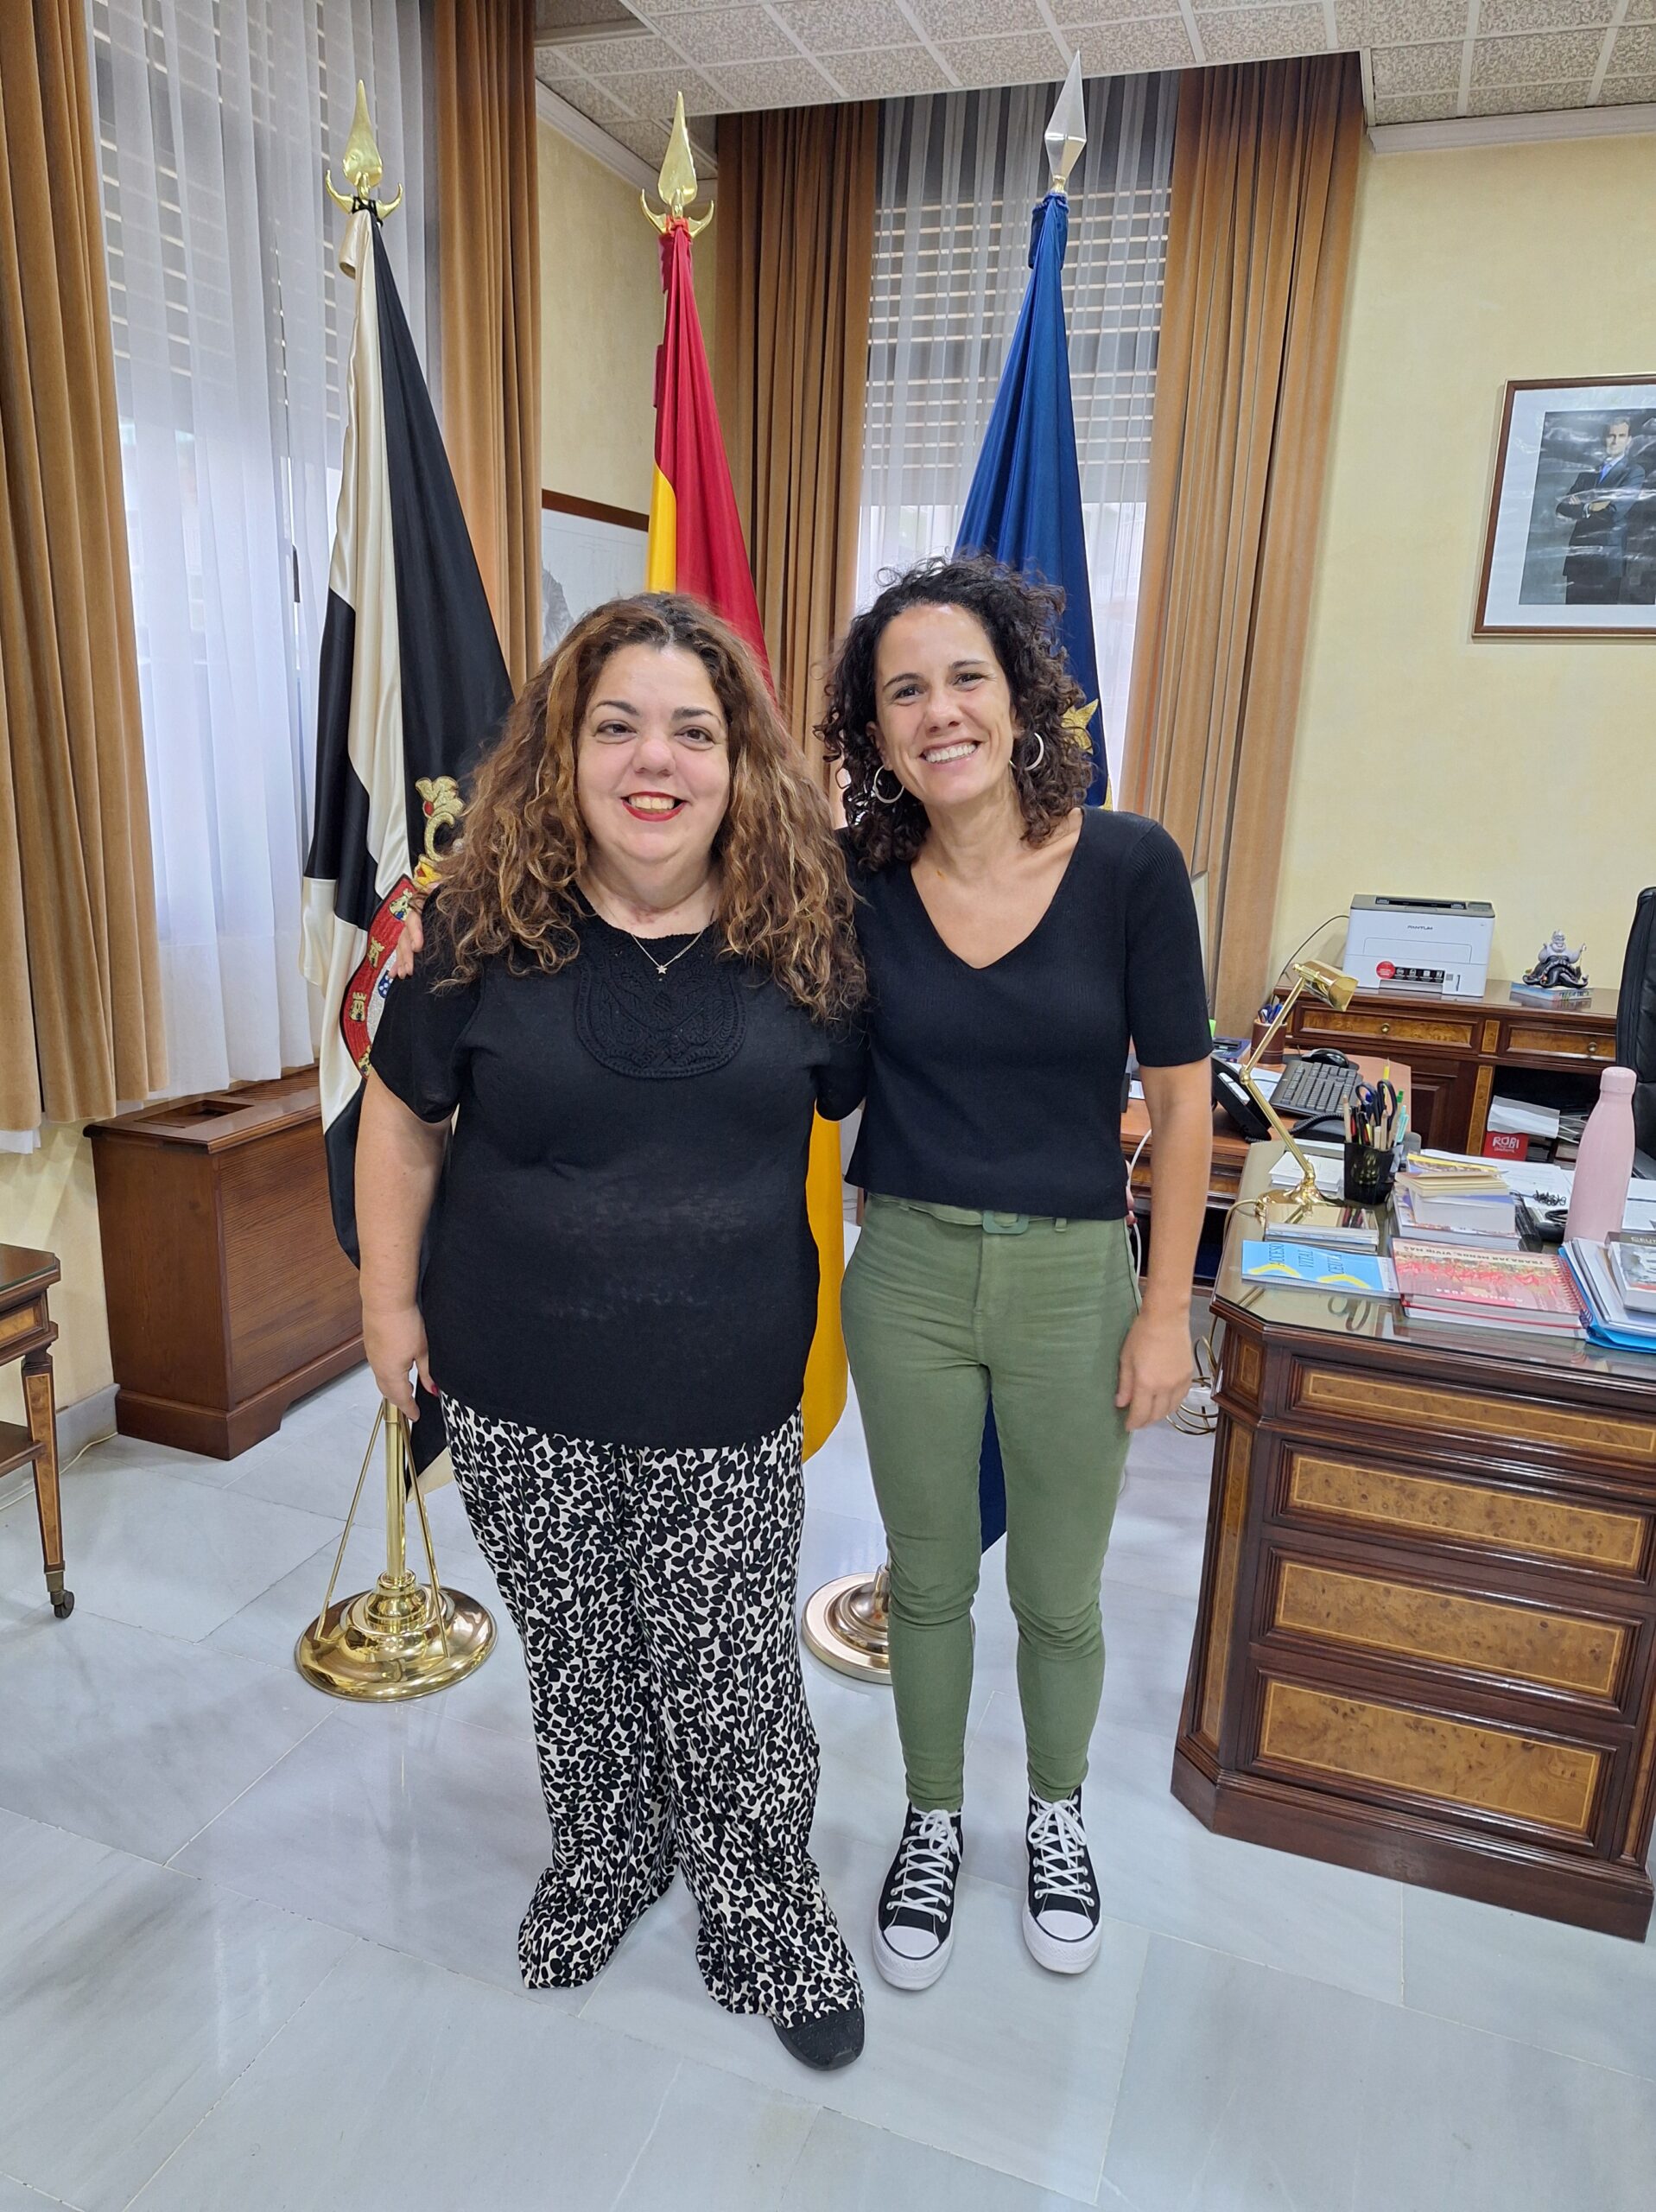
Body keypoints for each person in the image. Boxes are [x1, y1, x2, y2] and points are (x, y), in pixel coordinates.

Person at [359, 594, 867, 2070]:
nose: (656, 760)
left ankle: (765, 1908)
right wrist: (387, 1306)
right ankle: (606, 1856)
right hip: (513, 1384)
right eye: (618, 726)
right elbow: (400, 1120)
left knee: (728, 1677)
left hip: (724, 1390)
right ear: (564, 752)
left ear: (740, 761)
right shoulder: (474, 928)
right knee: (578, 1656)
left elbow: (871, 1128)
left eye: (694, 731)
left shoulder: (812, 934)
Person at [818, 556, 1214, 1992]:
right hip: (907, 1276)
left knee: (1057, 1591)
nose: (940, 712)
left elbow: (1183, 1109)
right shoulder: (859, 886)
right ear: (875, 729)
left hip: (1071, 1282)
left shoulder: (1128, 867)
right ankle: (931, 1820)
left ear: (1020, 695)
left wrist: (1164, 1315)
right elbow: (815, 1071)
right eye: (903, 692)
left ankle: (1054, 1817)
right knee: (926, 1583)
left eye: (964, 679)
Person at [1556, 416, 1645, 605]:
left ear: (1629, 440)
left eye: (1621, 436)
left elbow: (1613, 513)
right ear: (1604, 438)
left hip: (1606, 562)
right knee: (1571, 619)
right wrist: (1590, 507)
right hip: (1578, 560)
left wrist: (1581, 507)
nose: (1615, 441)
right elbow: (1562, 507)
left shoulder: (1634, 472)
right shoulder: (1588, 473)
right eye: (1611, 435)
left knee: (1601, 619)